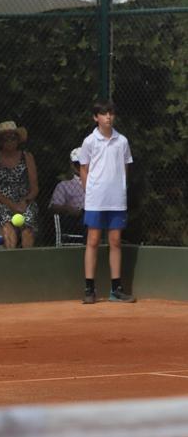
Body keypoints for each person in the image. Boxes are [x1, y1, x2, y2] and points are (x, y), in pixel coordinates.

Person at [79, 100, 135, 304]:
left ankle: (116, 289)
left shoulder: (122, 141)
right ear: (96, 118)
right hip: (95, 200)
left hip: (116, 200)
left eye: (111, 113)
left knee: (115, 242)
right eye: (103, 114)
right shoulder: (89, 141)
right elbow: (83, 168)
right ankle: (89, 289)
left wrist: (120, 189)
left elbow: (125, 167)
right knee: (93, 240)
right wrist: (90, 191)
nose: (108, 117)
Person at [0, 121, 39, 249]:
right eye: (6, 138)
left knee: (27, 224)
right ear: (0, 141)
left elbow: (35, 188)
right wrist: (12, 205)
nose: (10, 141)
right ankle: (10, 257)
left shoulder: (27, 157)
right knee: (6, 222)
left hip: (24, 202)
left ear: (18, 140)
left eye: (13, 138)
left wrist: (24, 202)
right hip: (2, 202)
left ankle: (26, 259)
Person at [49, 147, 85, 237]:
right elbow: (54, 206)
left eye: (84, 164)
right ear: (71, 165)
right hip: (76, 218)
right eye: (77, 164)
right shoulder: (64, 185)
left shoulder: (98, 182)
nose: (81, 167)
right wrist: (69, 209)